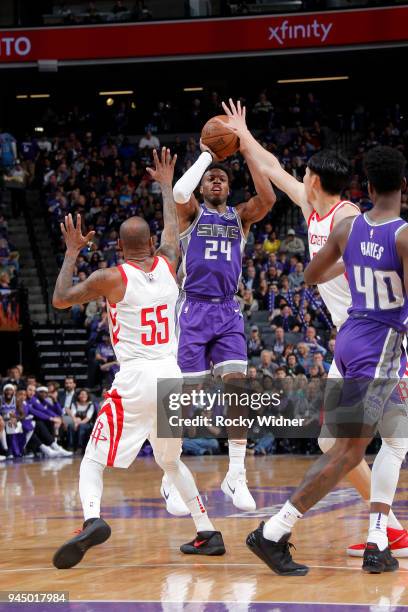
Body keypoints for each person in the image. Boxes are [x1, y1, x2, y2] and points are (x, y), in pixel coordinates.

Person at [220, 100, 408, 558]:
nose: (300, 178)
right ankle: (389, 527)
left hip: (372, 333)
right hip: (357, 336)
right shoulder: (312, 208)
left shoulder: (349, 221)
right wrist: (243, 136)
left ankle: (382, 527)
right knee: (341, 442)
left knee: (366, 440)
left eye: (305, 175)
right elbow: (273, 166)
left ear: (317, 181)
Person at [52, 148, 225, 570]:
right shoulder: (168, 263)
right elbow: (171, 227)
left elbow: (59, 299)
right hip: (172, 375)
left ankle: (92, 519)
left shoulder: (111, 277)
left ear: (117, 247)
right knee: (169, 459)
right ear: (149, 244)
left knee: (93, 458)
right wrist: (167, 185)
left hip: (136, 378)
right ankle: (207, 532)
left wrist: (72, 252)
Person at [167, 130, 276, 513]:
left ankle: (236, 474)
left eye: (222, 177)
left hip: (227, 310)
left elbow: (269, 199)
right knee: (185, 397)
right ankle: (170, 476)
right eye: (211, 176)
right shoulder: (191, 212)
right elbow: (180, 193)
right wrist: (204, 156)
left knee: (238, 389)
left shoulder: (240, 217)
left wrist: (247, 150)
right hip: (193, 309)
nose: (215, 180)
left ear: (229, 188)